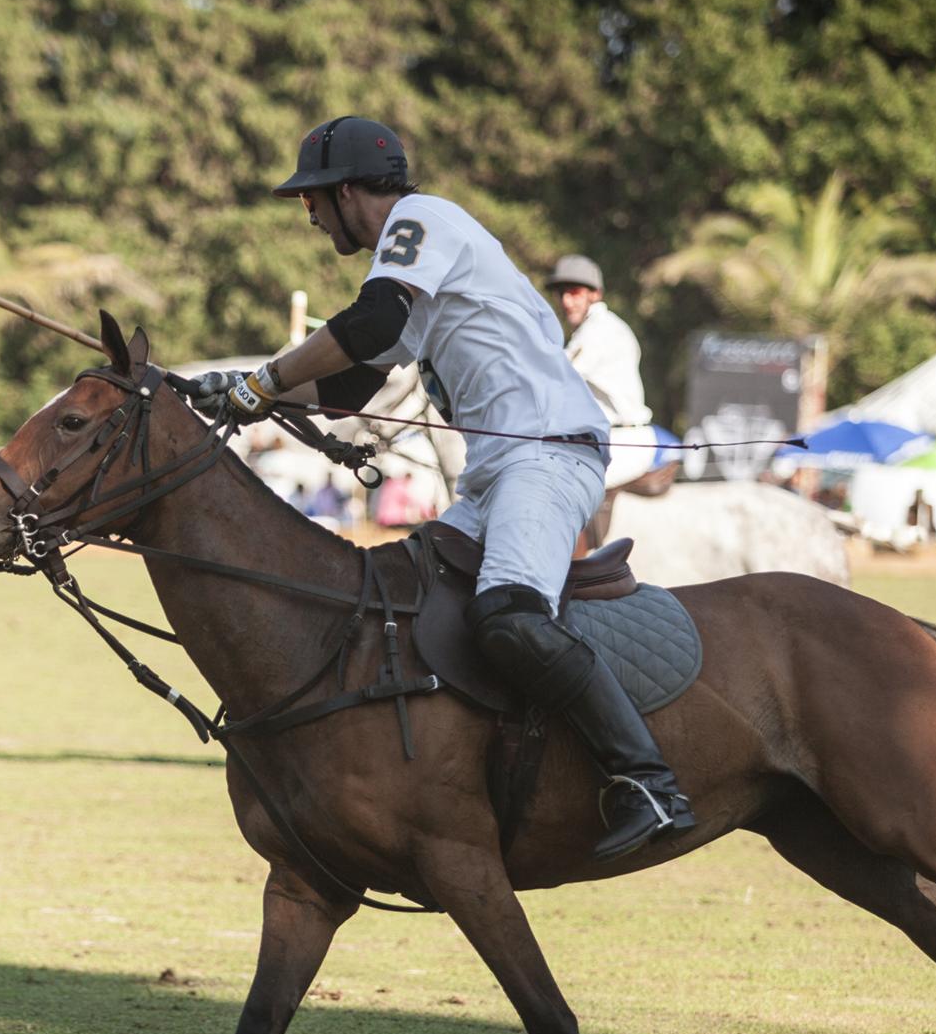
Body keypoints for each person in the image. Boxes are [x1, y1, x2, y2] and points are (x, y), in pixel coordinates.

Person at [187, 116, 692, 859]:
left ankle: (648, 780)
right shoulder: (411, 276)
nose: (310, 215)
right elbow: (351, 378)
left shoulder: (421, 222)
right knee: (416, 599)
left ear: (347, 190)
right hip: (494, 472)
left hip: (549, 452)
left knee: (508, 616)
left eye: (312, 200)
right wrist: (219, 391)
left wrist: (262, 381)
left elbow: (367, 324)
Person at [544, 254, 660, 489]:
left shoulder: (599, 330)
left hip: (623, 442)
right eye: (561, 293)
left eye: (574, 292)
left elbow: (554, 380)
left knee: (558, 487)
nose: (566, 301)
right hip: (605, 440)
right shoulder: (591, 329)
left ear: (595, 294)